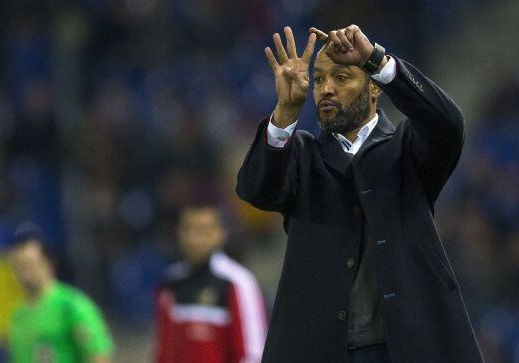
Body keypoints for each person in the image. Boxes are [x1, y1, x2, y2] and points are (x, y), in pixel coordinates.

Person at [236, 25, 484, 362]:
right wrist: (285, 115)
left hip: (404, 350)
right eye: (320, 79)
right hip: (319, 351)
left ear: (373, 89)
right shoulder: (303, 156)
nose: (326, 89)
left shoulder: (407, 149)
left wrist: (376, 61)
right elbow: (255, 190)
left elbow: (447, 124)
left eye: (341, 78)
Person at [154, 204, 267, 363]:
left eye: (204, 231)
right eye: (189, 229)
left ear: (220, 234)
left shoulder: (238, 282)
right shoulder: (169, 282)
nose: (195, 239)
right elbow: (164, 351)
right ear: (178, 232)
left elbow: (253, 354)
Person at [7, 223, 114, 363]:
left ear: (49, 263)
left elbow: (98, 355)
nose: (24, 275)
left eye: (30, 265)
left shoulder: (71, 306)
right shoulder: (18, 314)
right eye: (19, 267)